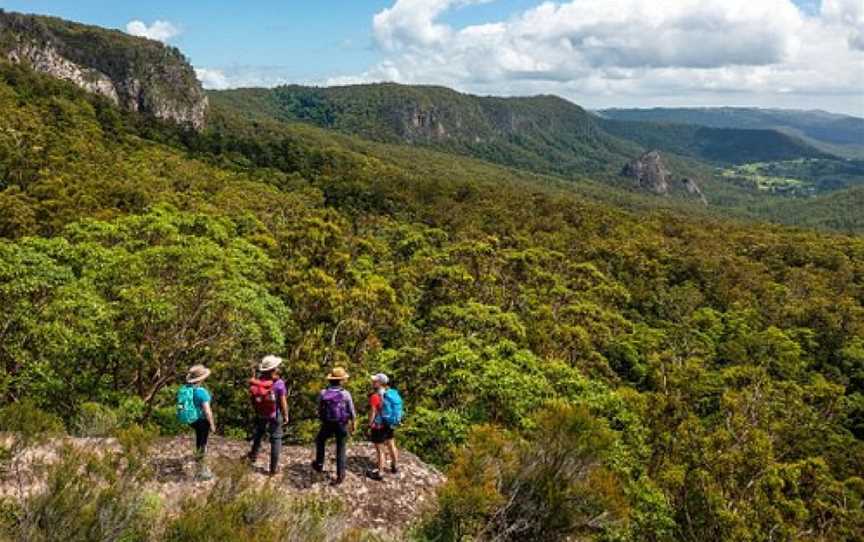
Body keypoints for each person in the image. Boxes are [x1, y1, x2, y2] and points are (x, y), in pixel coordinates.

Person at [311, 367, 356, 485]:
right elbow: (351, 411)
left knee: (320, 440)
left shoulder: (323, 393)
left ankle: (319, 464)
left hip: (327, 423)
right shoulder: (345, 394)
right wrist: (353, 424)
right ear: (341, 381)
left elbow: (318, 409)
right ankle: (340, 474)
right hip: (341, 424)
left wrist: (321, 418)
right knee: (341, 448)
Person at [247, 355, 289, 476]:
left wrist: (257, 410)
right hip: (274, 414)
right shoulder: (279, 383)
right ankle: (273, 469)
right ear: (274, 369)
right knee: (276, 438)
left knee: (259, 434)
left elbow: (252, 398)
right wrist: (286, 415)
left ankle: (253, 455)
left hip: (261, 413)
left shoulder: (257, 382)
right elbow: (282, 401)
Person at [177, 364, 215, 481]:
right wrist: (212, 425)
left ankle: (199, 460)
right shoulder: (201, 392)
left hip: (191, 420)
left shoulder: (186, 388)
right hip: (201, 421)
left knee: (199, 440)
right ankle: (202, 470)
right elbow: (207, 411)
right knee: (202, 443)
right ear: (202, 378)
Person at [365, 373, 402, 481]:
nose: (373, 382)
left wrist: (369, 424)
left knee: (380, 449)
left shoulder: (375, 396)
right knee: (391, 444)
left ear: (380, 383)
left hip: (379, 426)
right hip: (389, 424)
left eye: (375, 381)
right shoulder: (391, 393)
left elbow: (373, 412)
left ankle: (380, 472)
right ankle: (395, 466)